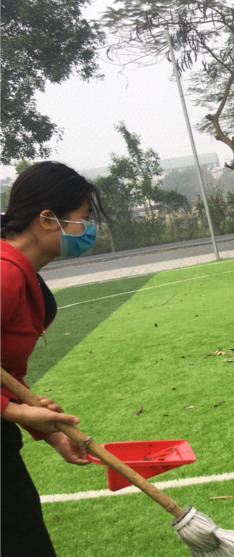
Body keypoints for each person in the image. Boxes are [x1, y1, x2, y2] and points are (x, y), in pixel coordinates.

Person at [1, 162, 106, 555]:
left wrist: (50, 433)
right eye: (84, 218)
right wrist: (17, 412)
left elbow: (3, 373)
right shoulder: (5, 275)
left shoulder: (21, 272)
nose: (88, 229)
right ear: (47, 219)